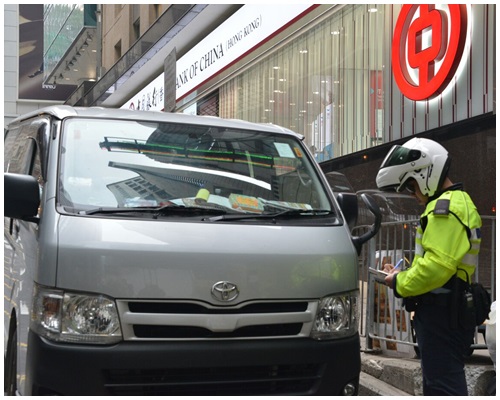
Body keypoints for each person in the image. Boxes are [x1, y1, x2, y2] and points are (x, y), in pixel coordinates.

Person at [375, 137, 482, 396]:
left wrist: (400, 282)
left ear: (425, 175)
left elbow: (437, 268)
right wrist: (404, 273)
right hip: (445, 308)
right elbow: (435, 263)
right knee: (439, 382)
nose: (414, 195)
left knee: (442, 385)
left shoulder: (445, 208)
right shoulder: (453, 203)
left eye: (412, 187)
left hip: (442, 312)